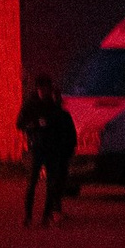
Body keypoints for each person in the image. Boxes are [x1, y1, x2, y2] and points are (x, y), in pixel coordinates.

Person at [20, 69, 77, 226]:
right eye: (42, 88)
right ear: (38, 88)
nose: (45, 91)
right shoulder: (31, 105)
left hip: (52, 149)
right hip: (37, 148)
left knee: (51, 183)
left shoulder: (53, 106)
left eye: (47, 88)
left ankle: (46, 216)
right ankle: (28, 216)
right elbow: (20, 123)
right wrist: (35, 125)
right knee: (32, 182)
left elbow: (61, 123)